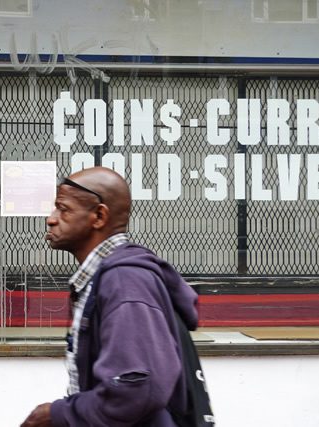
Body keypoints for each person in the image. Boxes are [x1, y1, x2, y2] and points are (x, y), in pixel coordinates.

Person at [20, 167, 199, 427]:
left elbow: (138, 389)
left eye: (63, 209)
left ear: (99, 216)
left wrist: (56, 415)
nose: (51, 218)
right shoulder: (105, 277)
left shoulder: (125, 282)